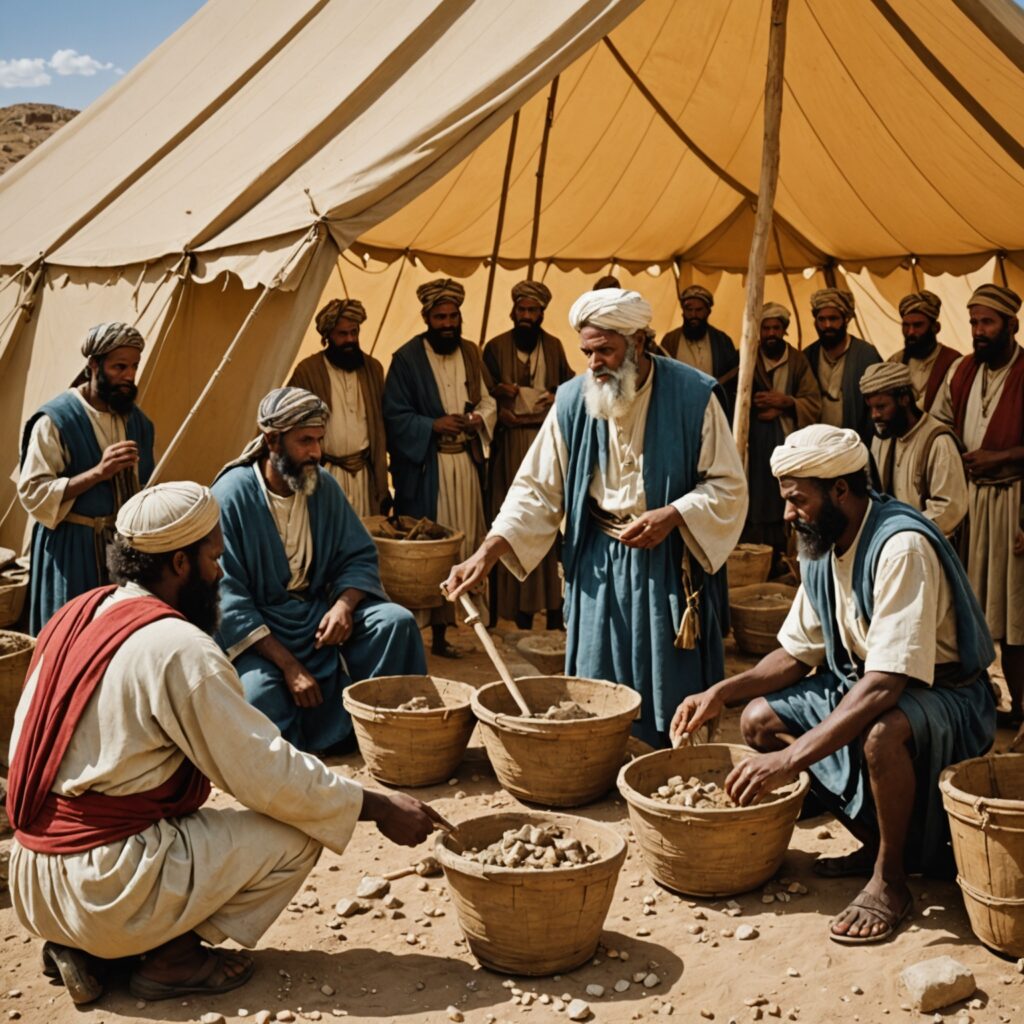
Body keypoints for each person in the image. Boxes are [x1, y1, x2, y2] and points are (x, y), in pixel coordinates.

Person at [5, 482, 444, 1006]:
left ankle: (93, 948)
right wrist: (376, 806)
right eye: (213, 558)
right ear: (180, 563)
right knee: (300, 831)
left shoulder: (76, 614)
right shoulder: (178, 648)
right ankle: (172, 961)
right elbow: (266, 775)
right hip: (102, 885)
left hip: (34, 880)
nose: (221, 573)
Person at [671, 425, 996, 945]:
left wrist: (789, 759)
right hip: (866, 683)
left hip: (946, 696)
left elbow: (886, 686)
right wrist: (720, 693)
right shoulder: (820, 544)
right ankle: (879, 840)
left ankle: (892, 881)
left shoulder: (901, 547)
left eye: (797, 500)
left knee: (880, 736)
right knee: (757, 719)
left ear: (840, 490)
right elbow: (798, 655)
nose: (787, 514)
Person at [444, 288, 747, 746]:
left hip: (667, 561)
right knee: (596, 677)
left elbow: (727, 486)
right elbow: (536, 489)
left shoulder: (693, 396)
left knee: (666, 680)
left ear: (639, 342)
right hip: (598, 561)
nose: (594, 364)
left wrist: (674, 514)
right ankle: (598, 759)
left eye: (606, 350)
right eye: (587, 351)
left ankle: (669, 762)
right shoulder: (572, 401)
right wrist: (486, 554)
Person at [211, 387, 426, 753]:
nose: (316, 452)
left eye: (319, 440)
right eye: (305, 441)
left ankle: (388, 737)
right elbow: (226, 599)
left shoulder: (320, 485)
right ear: (272, 440)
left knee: (396, 624)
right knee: (260, 697)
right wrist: (290, 667)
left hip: (316, 617)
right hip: (260, 634)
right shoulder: (231, 495)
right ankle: (298, 771)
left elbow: (358, 555)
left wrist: (343, 605)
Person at [382, 278, 496, 657]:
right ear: (427, 317)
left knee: (467, 542)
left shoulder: (470, 351)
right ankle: (433, 635)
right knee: (431, 550)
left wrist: (479, 418)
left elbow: (488, 399)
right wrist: (432, 425)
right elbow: (394, 415)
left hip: (464, 466)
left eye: (453, 316)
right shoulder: (405, 359)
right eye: (440, 316)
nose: (448, 323)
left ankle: (465, 624)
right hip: (428, 471)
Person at [18, 323, 154, 635]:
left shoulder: (139, 423)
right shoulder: (56, 420)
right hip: (71, 547)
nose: (129, 375)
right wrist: (98, 473)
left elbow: (145, 485)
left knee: (117, 637)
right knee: (71, 635)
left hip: (122, 550)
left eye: (134, 366)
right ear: (93, 365)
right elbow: (33, 492)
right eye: (119, 366)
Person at [932, 284, 1024, 729]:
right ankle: (980, 704)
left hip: (1015, 506)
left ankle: (1022, 709)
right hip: (967, 505)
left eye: (987, 322)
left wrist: (1002, 456)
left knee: (1016, 617)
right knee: (969, 611)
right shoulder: (962, 371)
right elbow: (939, 423)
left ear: (1013, 325)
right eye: (973, 322)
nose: (978, 331)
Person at [483, 280, 574, 629]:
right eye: (522, 310)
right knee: (515, 521)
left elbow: (570, 388)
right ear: (513, 311)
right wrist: (499, 395)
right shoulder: (494, 348)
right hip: (510, 451)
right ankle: (516, 609)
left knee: (549, 523)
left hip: (547, 445)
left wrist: (554, 396)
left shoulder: (553, 347)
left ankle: (552, 607)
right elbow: (482, 398)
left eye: (533, 311)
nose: (526, 317)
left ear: (541, 314)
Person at [287, 298, 389, 517]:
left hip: (364, 476)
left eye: (354, 332)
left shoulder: (373, 369)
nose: (350, 339)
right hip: (325, 473)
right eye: (342, 334)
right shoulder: (308, 371)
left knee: (364, 536)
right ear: (327, 336)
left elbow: (384, 425)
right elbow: (290, 425)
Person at [741, 302, 821, 561]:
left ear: (784, 330)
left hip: (786, 442)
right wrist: (753, 407)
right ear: (759, 332)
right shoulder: (745, 357)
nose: (771, 333)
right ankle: (754, 555)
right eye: (766, 328)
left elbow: (813, 401)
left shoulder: (797, 361)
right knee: (753, 496)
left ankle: (781, 557)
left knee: (782, 497)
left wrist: (785, 403)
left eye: (776, 327)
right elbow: (730, 395)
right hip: (751, 445)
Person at [860, 362, 967, 538]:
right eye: (871, 408)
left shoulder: (938, 442)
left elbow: (949, 509)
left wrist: (904, 531)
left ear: (904, 399)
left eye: (881, 407)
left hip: (928, 543)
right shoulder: (882, 438)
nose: (874, 415)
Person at [804, 288, 881, 444]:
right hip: (817, 445)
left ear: (846, 319)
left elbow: (878, 403)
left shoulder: (866, 355)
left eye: (833, 319)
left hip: (856, 444)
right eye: (822, 319)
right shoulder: (807, 356)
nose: (827, 325)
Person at [659, 283, 739, 415]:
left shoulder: (723, 341)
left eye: (699, 310)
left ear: (708, 311)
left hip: (712, 409)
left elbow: (732, 379)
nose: (693, 315)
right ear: (683, 311)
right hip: (679, 409)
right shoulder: (670, 341)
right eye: (689, 310)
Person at [888, 290, 959, 411]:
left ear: (935, 328)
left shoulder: (954, 362)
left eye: (917, 325)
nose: (910, 332)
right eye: (906, 325)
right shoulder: (894, 363)